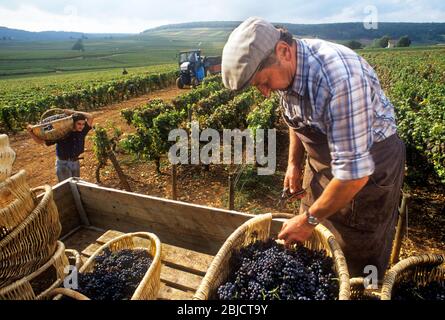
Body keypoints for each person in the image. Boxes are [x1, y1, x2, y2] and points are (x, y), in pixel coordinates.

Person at [221, 17, 405, 278]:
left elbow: (355, 175)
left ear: (283, 51)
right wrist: (294, 164)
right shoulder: (288, 67)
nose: (264, 92)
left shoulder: (339, 80)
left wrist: (308, 219)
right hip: (327, 159)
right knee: (311, 247)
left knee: (354, 258)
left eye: (264, 82)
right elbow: (296, 119)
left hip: (367, 170)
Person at [27, 109, 94, 182]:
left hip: (75, 162)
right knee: (67, 187)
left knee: (77, 184)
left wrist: (72, 112)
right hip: (63, 164)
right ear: (73, 123)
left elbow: (90, 116)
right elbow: (41, 141)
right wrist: (31, 132)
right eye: (79, 124)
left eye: (83, 124)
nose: (81, 126)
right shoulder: (62, 133)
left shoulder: (82, 131)